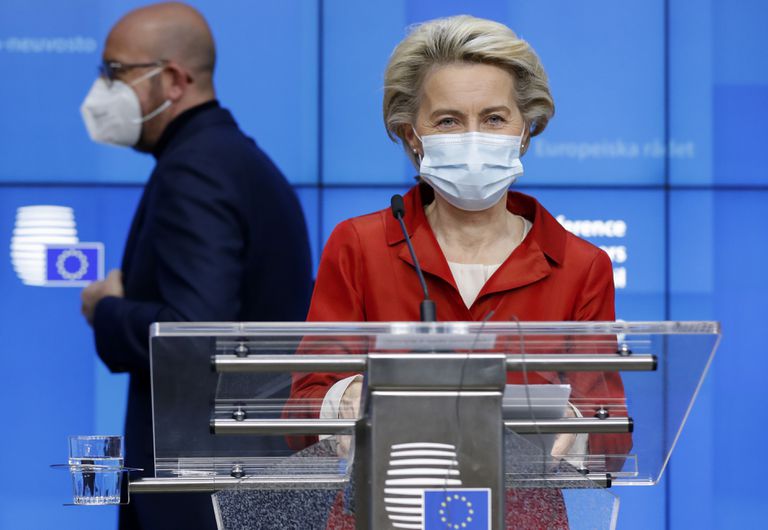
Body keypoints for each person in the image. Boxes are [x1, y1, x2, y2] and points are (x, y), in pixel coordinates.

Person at [288, 15, 631, 528]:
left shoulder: (581, 266)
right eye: (448, 121)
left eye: (494, 118)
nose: (473, 138)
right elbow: (298, 414)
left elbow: (613, 441)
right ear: (413, 135)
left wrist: (572, 426)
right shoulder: (359, 246)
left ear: (525, 129)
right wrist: (345, 401)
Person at [79, 3, 313, 529]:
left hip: (205, 490)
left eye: (115, 72)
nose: (101, 89)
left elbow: (196, 335)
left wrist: (107, 308)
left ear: (174, 80)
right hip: (235, 482)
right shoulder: (230, 158)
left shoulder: (196, 169)